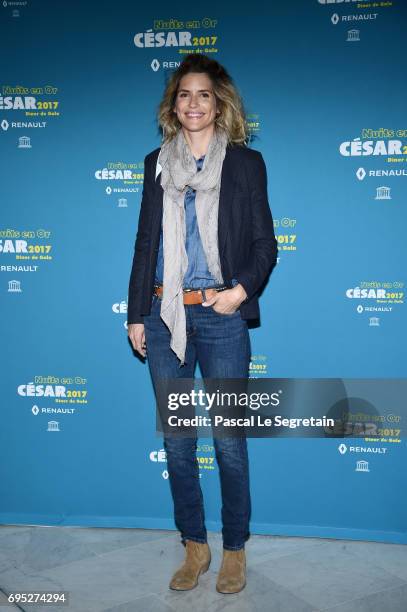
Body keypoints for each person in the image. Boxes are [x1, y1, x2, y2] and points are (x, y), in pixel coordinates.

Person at [127, 53, 278, 594]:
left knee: (229, 441)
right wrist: (136, 313)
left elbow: (265, 242)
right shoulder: (156, 162)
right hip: (164, 316)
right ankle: (194, 544)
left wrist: (240, 291)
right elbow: (147, 241)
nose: (193, 103)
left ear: (220, 103)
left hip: (220, 316)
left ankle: (234, 548)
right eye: (184, 94)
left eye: (204, 94)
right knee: (177, 441)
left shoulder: (244, 164)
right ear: (174, 104)